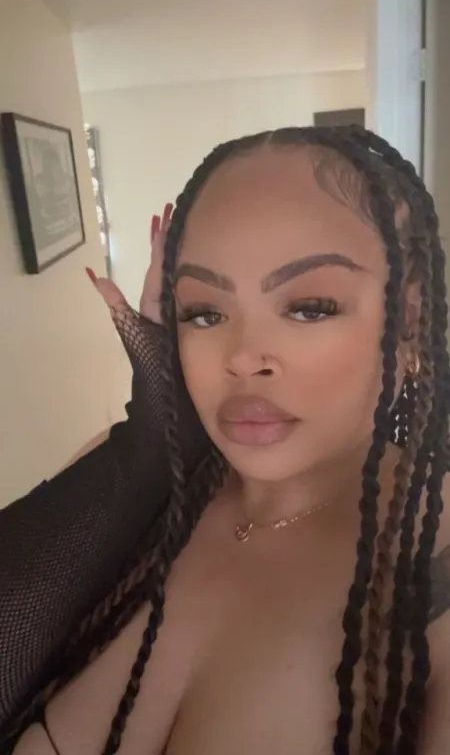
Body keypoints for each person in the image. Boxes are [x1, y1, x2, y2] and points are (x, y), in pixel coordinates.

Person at [1, 126, 450, 755]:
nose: (241, 357)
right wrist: (154, 438)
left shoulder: (432, 575)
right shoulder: (157, 486)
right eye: (204, 312)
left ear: (410, 321)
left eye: (309, 306)